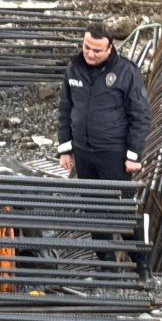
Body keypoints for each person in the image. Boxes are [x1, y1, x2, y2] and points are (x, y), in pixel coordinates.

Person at [57, 22, 152, 278]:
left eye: (97, 50)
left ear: (110, 48)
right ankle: (107, 265)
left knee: (123, 210)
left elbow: (140, 115)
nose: (90, 54)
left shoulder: (126, 72)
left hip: (114, 154)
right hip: (83, 153)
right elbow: (66, 109)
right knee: (92, 208)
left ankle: (142, 264)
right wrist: (65, 150)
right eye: (87, 47)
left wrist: (134, 155)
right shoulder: (73, 68)